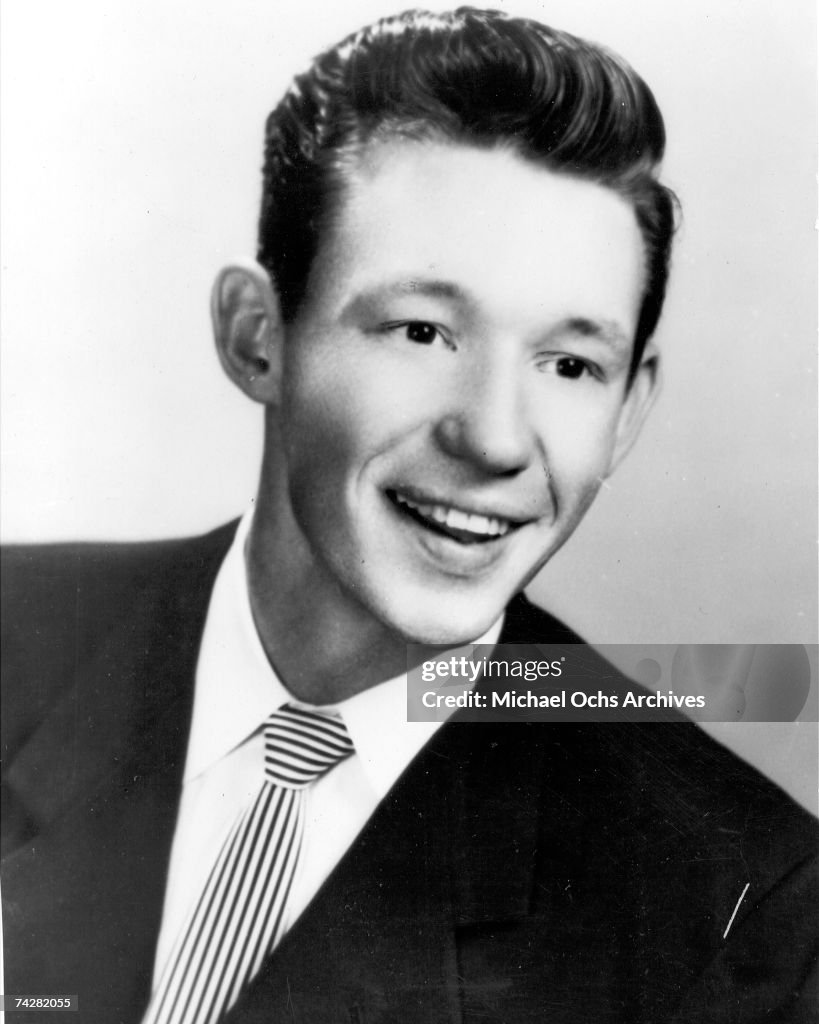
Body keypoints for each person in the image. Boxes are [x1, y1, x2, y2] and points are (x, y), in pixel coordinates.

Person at [2, 8, 816, 1023]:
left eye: (570, 364)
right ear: (259, 337)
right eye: (422, 329)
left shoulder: (738, 910)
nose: (495, 439)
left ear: (628, 410)